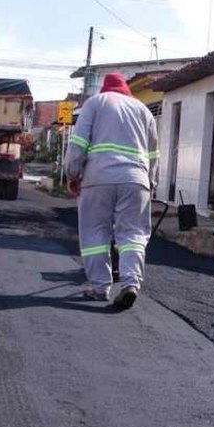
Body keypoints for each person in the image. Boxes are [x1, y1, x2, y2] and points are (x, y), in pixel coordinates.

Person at [63, 72, 158, 310]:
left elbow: (79, 143)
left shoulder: (95, 103)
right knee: (133, 235)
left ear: (104, 89)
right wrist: (150, 182)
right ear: (126, 89)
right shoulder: (144, 111)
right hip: (136, 180)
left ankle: (100, 287)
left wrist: (72, 174)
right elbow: (154, 154)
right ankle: (131, 283)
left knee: (95, 233)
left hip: (98, 179)